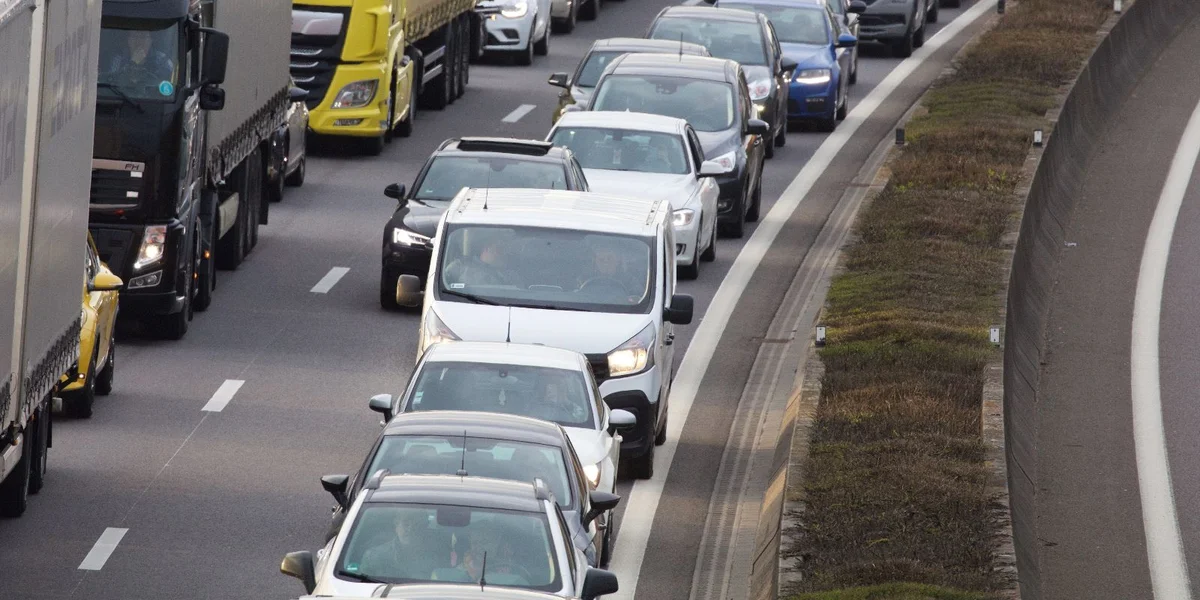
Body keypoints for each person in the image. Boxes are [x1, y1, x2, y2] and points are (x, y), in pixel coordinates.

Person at [358, 511, 443, 580]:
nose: (410, 529)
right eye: (406, 523)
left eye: (416, 525)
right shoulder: (374, 557)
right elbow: (362, 585)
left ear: (424, 528)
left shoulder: (438, 557)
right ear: (396, 526)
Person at [107, 29, 176, 88]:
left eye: (143, 37)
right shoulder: (118, 60)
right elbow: (112, 82)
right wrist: (133, 63)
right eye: (134, 36)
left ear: (150, 41)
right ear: (128, 40)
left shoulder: (163, 61)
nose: (139, 41)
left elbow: (168, 86)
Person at [444, 236, 521, 288]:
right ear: (487, 248)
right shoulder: (459, 266)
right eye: (500, 248)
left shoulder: (511, 275)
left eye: (505, 249)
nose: (504, 253)